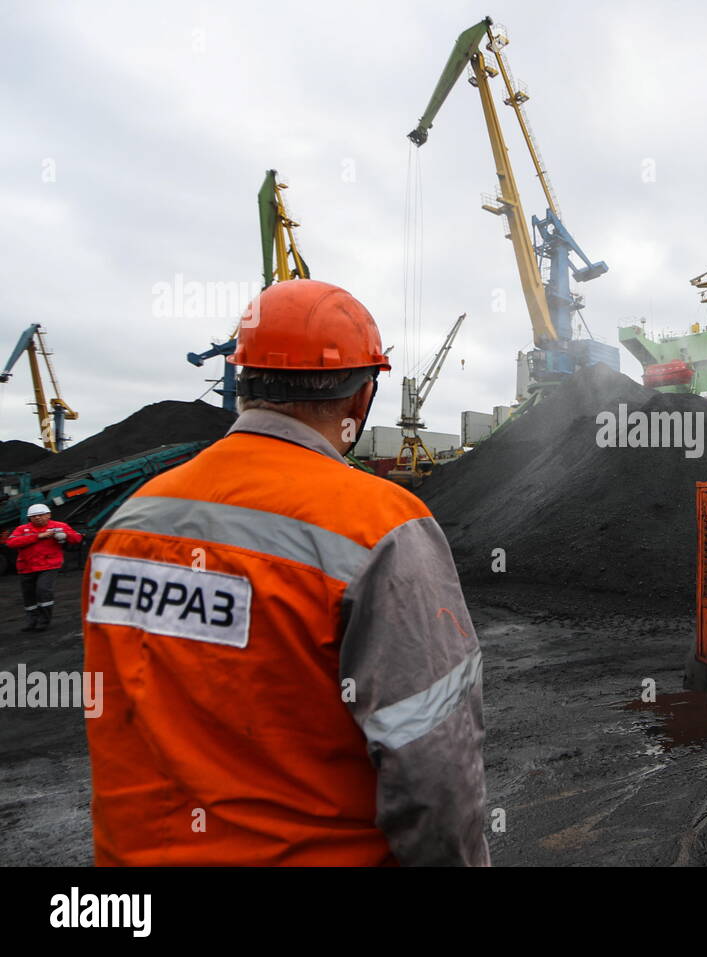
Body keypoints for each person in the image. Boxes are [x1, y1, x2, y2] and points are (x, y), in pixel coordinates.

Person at [82, 278, 488, 866]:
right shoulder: (380, 526)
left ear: (242, 383)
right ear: (360, 399)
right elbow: (434, 765)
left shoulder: (131, 520)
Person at [5, 503, 83, 632]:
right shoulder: (22, 529)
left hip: (49, 565)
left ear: (48, 515)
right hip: (26, 567)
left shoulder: (59, 526)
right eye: (33, 516)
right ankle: (32, 622)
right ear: (29, 518)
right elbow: (11, 542)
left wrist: (65, 536)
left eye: (41, 515)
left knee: (43, 591)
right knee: (29, 595)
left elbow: (78, 538)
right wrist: (38, 536)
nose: (37, 518)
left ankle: (44, 621)